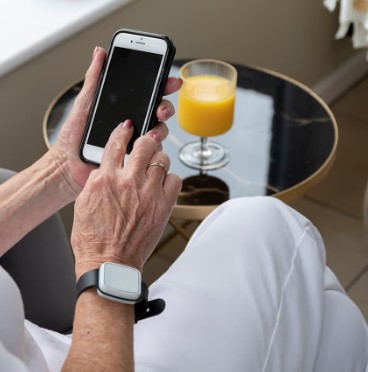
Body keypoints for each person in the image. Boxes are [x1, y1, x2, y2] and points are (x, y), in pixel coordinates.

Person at [0, 46, 367, 372]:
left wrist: (61, 171)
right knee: (268, 223)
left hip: (38, 345)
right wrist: (108, 261)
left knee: (333, 326)